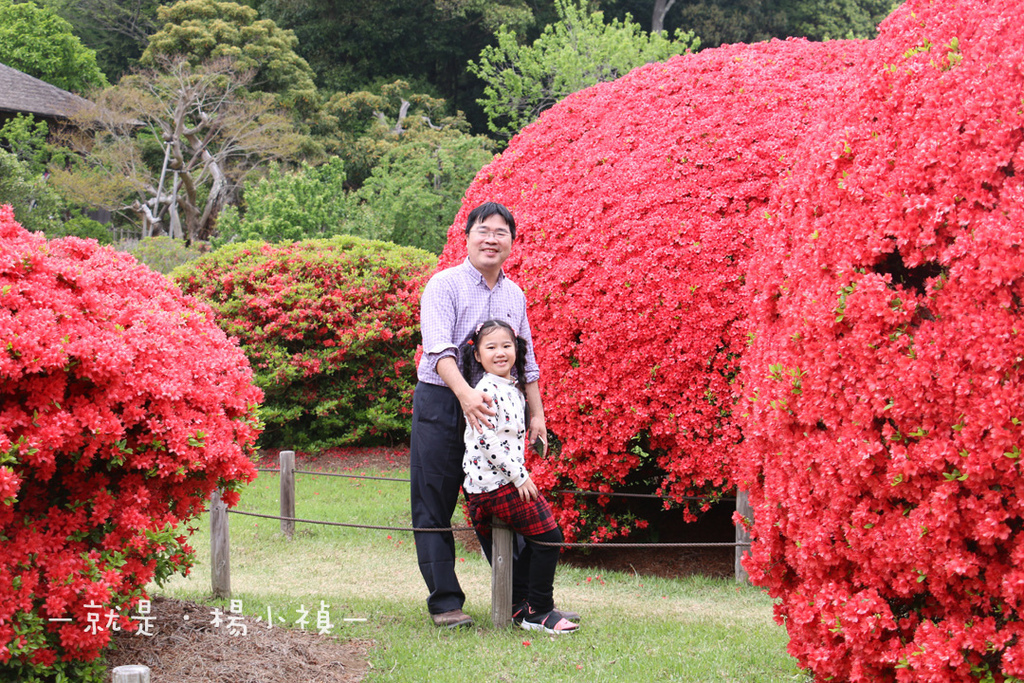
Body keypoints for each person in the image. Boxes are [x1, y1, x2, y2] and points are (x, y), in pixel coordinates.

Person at [410, 201, 547, 629]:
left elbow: (525, 360)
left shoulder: (514, 294)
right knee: (433, 506)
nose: (491, 239)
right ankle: (445, 603)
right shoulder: (444, 285)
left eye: (501, 232)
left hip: (496, 412)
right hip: (442, 404)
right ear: (466, 237)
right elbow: (438, 349)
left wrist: (537, 415)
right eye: (483, 231)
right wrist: (466, 395)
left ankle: (520, 601)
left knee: (504, 501)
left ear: (511, 242)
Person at [460, 320, 579, 634]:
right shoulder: (484, 391)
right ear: (478, 355)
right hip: (493, 485)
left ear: (516, 349)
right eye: (491, 347)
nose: (500, 352)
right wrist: (519, 476)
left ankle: (520, 604)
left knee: (533, 541)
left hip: (499, 481)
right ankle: (539, 612)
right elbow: (487, 441)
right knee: (549, 537)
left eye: (506, 345)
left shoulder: (511, 388)